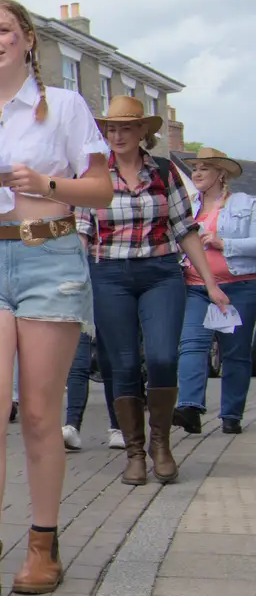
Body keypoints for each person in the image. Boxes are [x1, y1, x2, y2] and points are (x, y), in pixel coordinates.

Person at [0, 0, 112, 596]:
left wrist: (46, 183)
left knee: (39, 412)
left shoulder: (63, 106)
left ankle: (43, 544)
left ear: (28, 39)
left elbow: (101, 190)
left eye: (3, 30)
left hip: (50, 256)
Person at [78, 95, 229, 487]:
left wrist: (212, 284)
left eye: (126, 127)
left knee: (163, 356)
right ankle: (134, 453)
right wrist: (73, 285)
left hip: (161, 273)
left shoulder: (162, 172)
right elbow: (80, 233)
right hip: (108, 275)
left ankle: (161, 444)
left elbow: (185, 229)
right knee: (123, 364)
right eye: (111, 128)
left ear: (143, 131)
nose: (117, 134)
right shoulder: (92, 173)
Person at [172, 148, 253, 437]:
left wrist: (224, 242)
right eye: (195, 168)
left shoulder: (245, 203)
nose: (197, 173)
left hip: (238, 287)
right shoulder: (188, 206)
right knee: (191, 344)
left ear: (221, 174)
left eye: (204, 168)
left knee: (235, 353)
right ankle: (190, 408)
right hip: (197, 287)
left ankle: (231, 415)